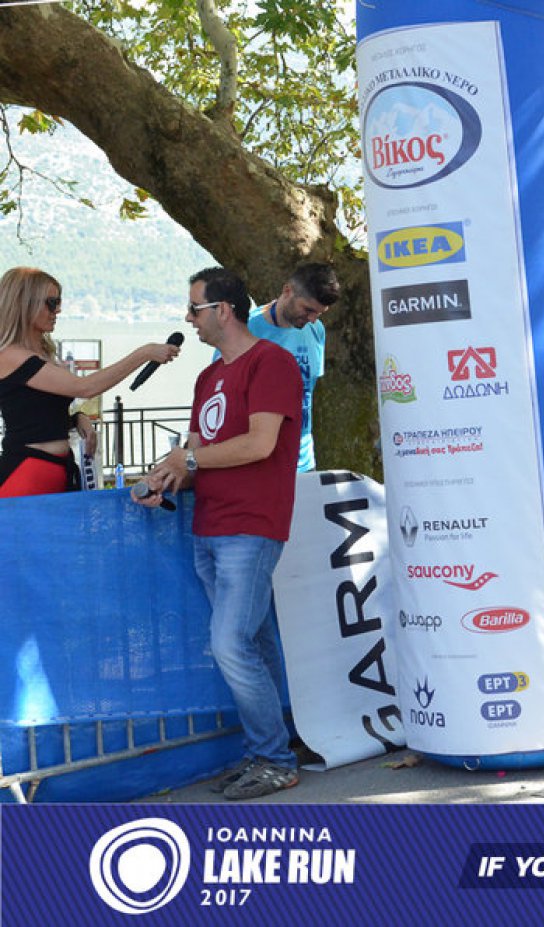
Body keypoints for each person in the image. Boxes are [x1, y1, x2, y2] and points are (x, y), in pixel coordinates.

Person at [134, 267, 303, 801]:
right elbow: (195, 454)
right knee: (253, 642)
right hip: (209, 524)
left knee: (229, 644)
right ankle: (275, 747)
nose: (188, 318)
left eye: (195, 308)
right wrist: (164, 479)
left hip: (251, 525)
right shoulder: (208, 378)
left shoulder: (272, 362)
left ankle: (275, 758)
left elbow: (259, 444)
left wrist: (186, 460)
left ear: (223, 310)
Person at [0, 267, 179, 497]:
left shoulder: (41, 353)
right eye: (52, 303)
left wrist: (76, 418)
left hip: (56, 471)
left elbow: (37, 415)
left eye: (59, 302)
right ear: (25, 304)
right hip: (27, 474)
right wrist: (144, 353)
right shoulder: (11, 355)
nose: (58, 310)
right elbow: (84, 387)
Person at [242, 263, 340, 472]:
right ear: (287, 290)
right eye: (308, 310)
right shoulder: (246, 331)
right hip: (258, 463)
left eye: (319, 313)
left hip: (303, 462)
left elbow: (309, 390)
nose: (312, 319)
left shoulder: (316, 329)